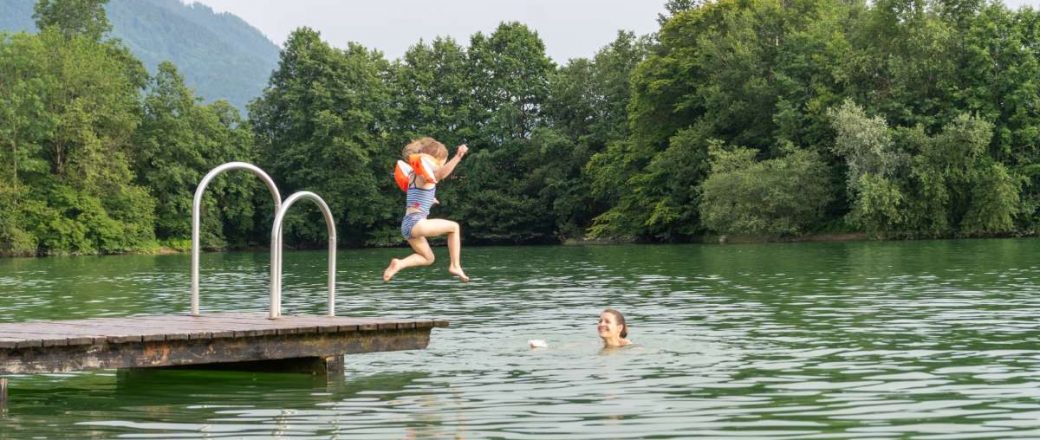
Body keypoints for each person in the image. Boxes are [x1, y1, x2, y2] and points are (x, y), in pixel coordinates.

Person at [383, 137, 470, 282]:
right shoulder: (423, 174)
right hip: (416, 222)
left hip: (407, 225)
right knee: (454, 227)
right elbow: (440, 174)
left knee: (428, 258)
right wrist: (458, 156)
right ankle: (455, 265)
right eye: (442, 161)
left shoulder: (413, 174)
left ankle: (399, 263)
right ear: (434, 159)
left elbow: (417, 197)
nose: (442, 165)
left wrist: (429, 201)